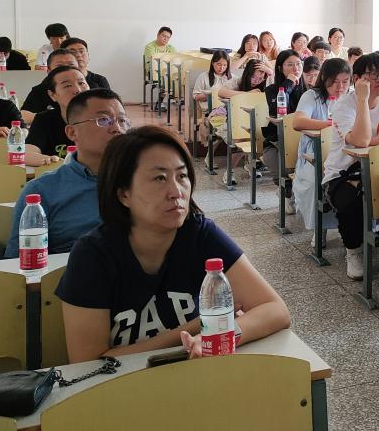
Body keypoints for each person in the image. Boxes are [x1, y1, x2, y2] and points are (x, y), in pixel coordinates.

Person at [56, 125, 290, 362]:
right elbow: (87, 361)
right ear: (123, 194)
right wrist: (192, 330)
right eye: (159, 178)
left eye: (182, 176)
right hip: (123, 383)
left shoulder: (199, 234)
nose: (176, 191)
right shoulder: (92, 256)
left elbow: (275, 309)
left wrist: (221, 335)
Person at [322, 53, 379, 281]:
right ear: (358, 79)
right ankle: (353, 251)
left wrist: (371, 142)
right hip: (343, 173)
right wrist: (362, 100)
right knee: (351, 198)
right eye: (372, 75)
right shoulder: (344, 105)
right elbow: (359, 141)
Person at [6, 90, 129, 257]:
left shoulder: (142, 180)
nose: (117, 129)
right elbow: (20, 260)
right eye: (103, 120)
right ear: (72, 132)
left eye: (122, 120)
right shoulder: (41, 192)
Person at [292, 58, 351, 231]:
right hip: (315, 153)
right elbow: (297, 122)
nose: (340, 87)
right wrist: (330, 125)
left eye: (345, 81)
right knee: (313, 182)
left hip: (346, 152)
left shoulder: (352, 97)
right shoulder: (312, 96)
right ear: (324, 78)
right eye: (335, 82)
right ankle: (319, 229)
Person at [27, 65, 90, 158]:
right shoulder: (44, 120)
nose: (78, 90)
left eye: (81, 83)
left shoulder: (102, 117)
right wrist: (53, 161)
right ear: (52, 95)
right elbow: (27, 154)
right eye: (67, 85)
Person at [261, 50, 305, 175]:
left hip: (304, 139)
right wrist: (288, 84)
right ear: (281, 68)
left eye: (298, 63)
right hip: (277, 141)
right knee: (283, 173)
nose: (295, 68)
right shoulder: (271, 90)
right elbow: (276, 112)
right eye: (290, 64)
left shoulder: (308, 90)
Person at [20, 47, 78, 124]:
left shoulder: (87, 87)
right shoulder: (40, 90)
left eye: (71, 65)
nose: (66, 69)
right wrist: (50, 117)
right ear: (49, 71)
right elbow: (23, 115)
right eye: (59, 67)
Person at [144, 27, 175, 111]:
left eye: (168, 37)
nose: (165, 39)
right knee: (166, 79)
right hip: (153, 71)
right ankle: (160, 103)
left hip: (167, 71)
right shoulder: (149, 47)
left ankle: (178, 98)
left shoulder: (171, 48)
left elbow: (174, 60)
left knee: (178, 76)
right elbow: (153, 61)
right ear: (158, 35)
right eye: (163, 36)